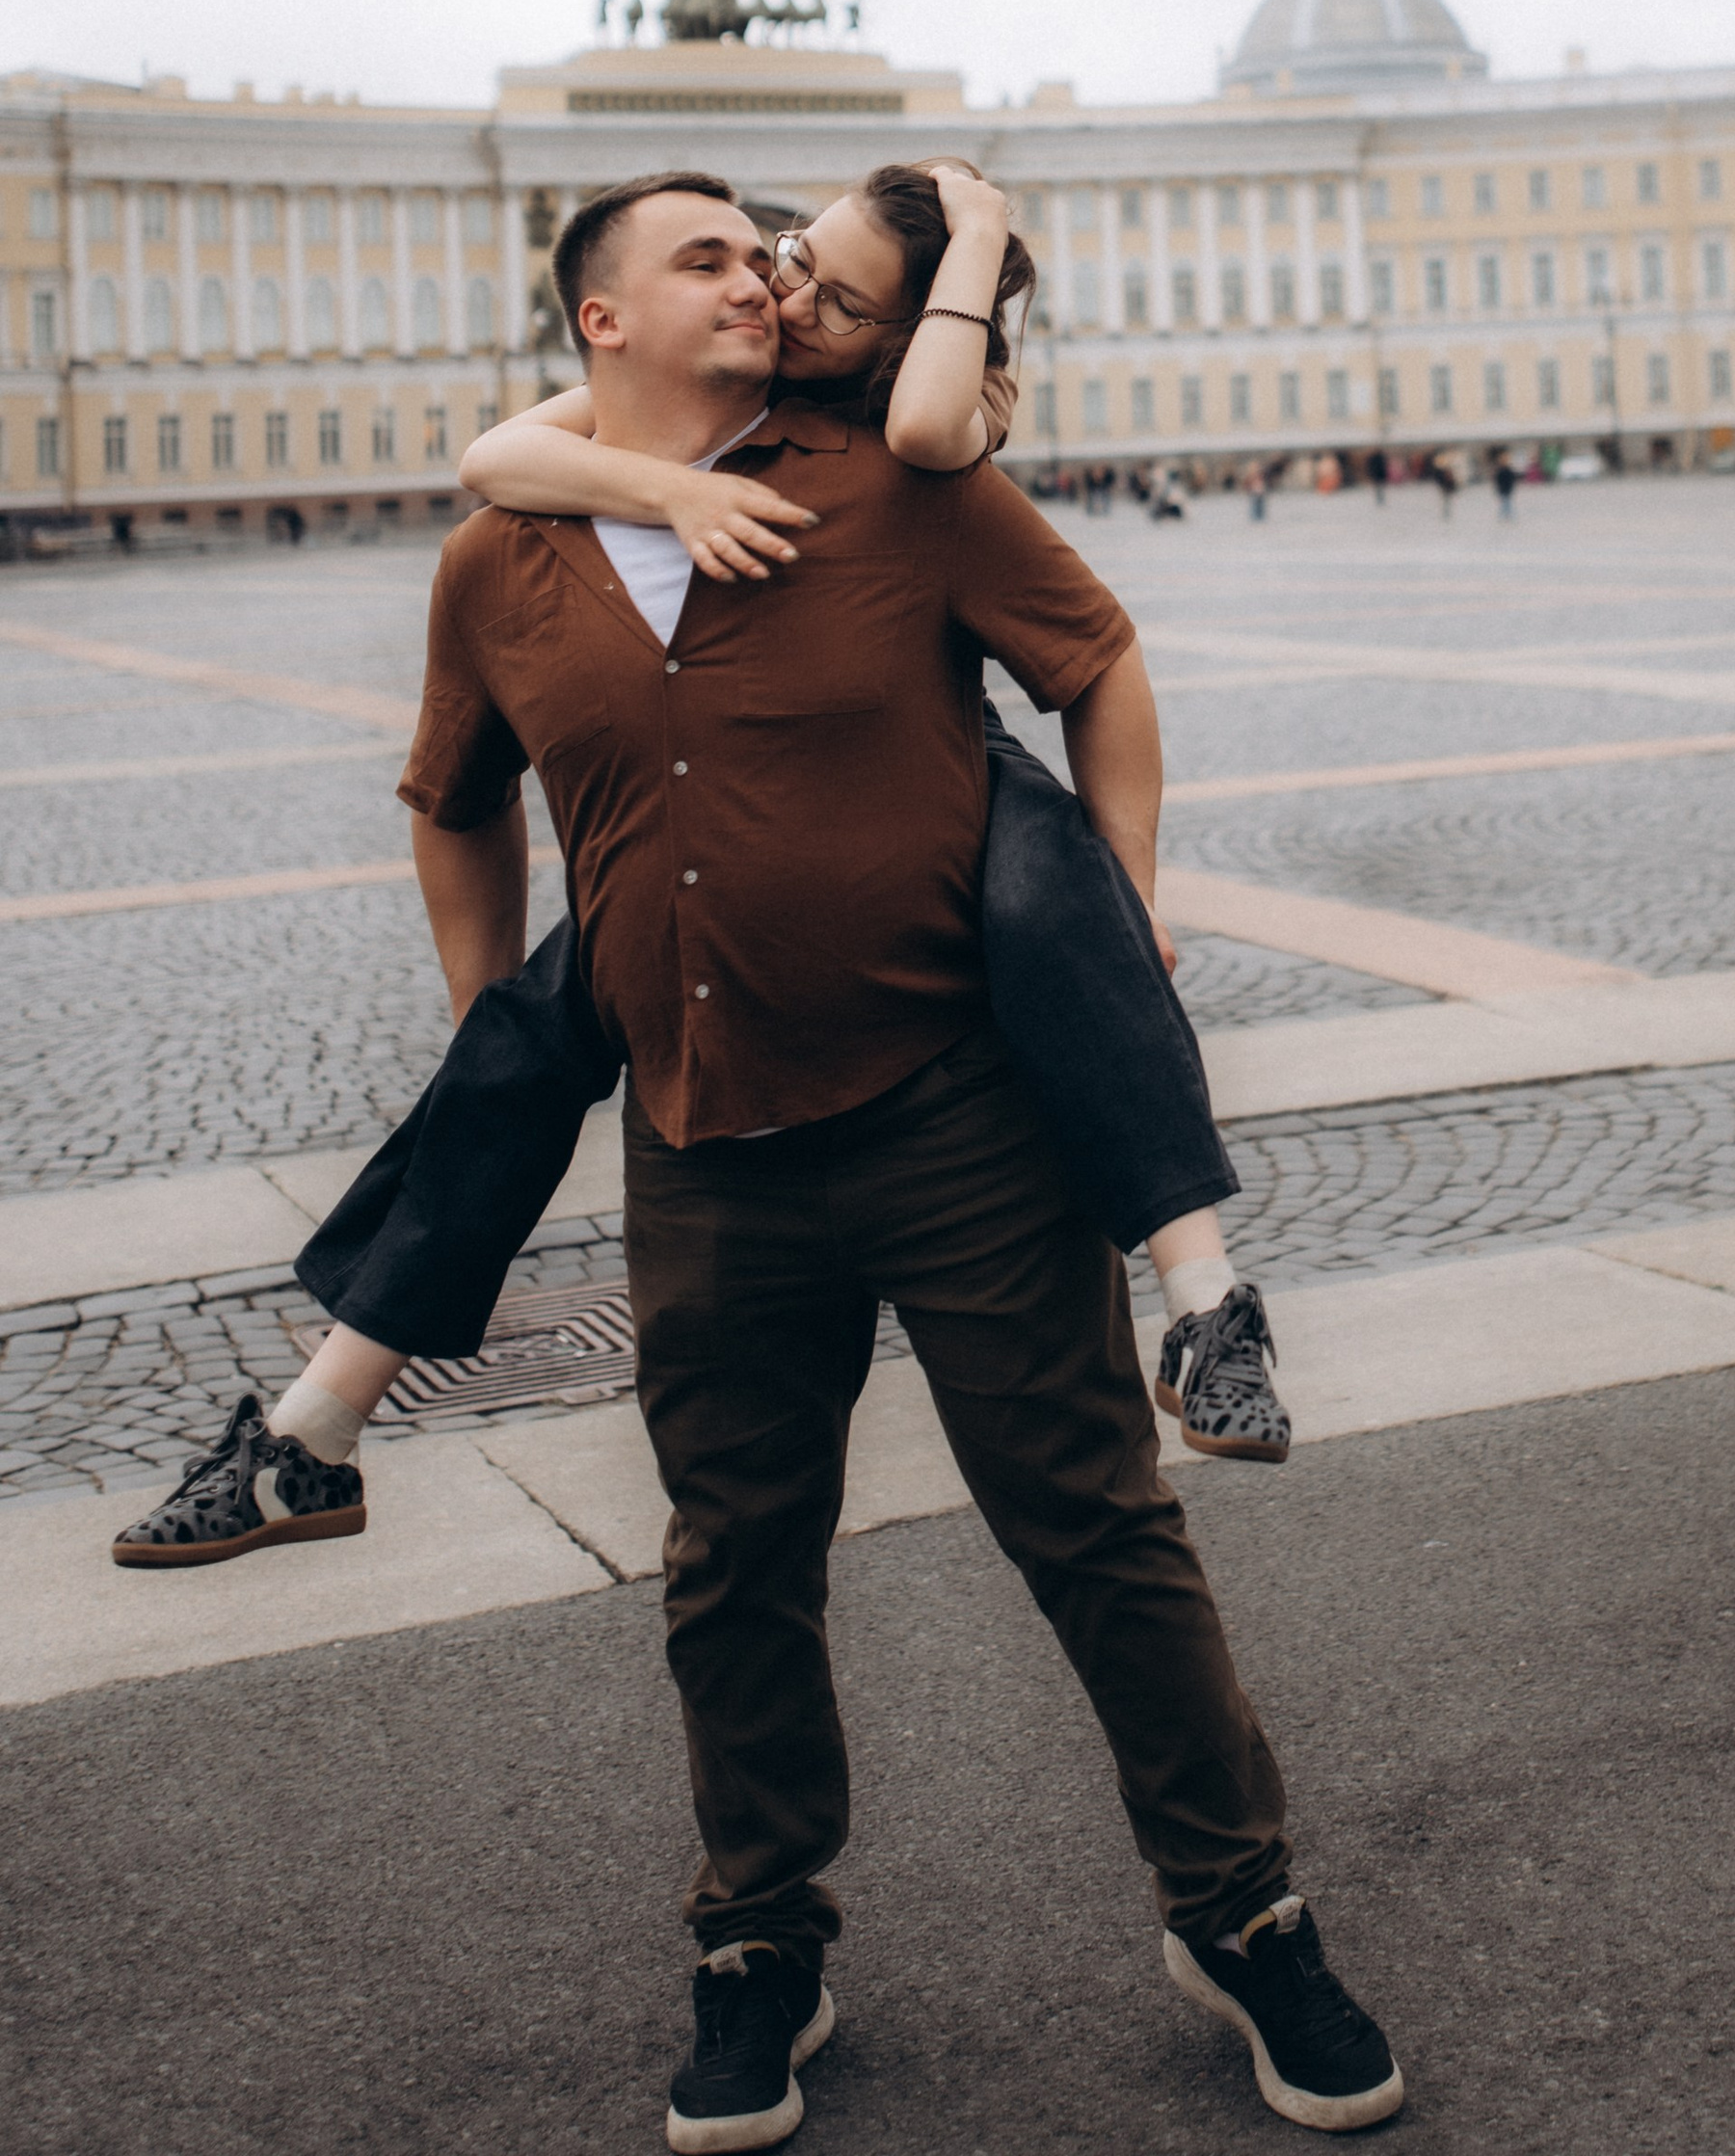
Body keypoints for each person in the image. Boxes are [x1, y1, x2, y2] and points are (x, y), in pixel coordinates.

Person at [127, 175, 1402, 2146]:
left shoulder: (897, 482)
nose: (763, 279)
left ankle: (1239, 1910)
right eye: (709, 256)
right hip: (701, 1146)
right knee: (734, 1563)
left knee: (1094, 1526)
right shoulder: (502, 556)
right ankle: (758, 1944)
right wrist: (489, 1004)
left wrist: (1118, 899)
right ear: (602, 320)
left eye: (770, 250)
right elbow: (452, 798)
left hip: (959, 1114)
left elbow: (1093, 654)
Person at [112, 167, 1288, 1534]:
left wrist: (974, 239)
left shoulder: (914, 430)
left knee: (1075, 921)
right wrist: (662, 492)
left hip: (953, 790)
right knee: (506, 1052)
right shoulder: (634, 460)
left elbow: (982, 499)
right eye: (777, 258)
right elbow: (494, 467)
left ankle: (1206, 1297)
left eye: (828, 295)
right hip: (688, 901)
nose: (778, 292)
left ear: (911, 329)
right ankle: (311, 1427)